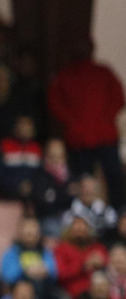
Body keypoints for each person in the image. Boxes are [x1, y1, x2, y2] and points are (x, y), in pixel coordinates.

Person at [48, 38, 125, 207]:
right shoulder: (66, 75)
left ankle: (118, 216)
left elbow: (118, 97)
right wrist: (71, 121)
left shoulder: (102, 72)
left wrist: (104, 118)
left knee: (112, 178)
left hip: (98, 135)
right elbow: (54, 102)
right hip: (84, 137)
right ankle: (84, 218)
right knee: (84, 180)